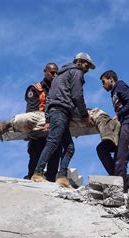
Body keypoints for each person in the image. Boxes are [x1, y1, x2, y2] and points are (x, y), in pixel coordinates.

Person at [31, 53, 95, 187]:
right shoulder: (76, 72)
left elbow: (49, 99)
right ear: (78, 62)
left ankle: (62, 177)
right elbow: (77, 95)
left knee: (69, 147)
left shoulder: (59, 76)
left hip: (58, 113)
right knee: (53, 143)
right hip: (61, 112)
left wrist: (48, 118)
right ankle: (37, 173)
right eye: (86, 65)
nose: (87, 69)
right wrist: (84, 115)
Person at [97, 70, 129, 180]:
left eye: (103, 81)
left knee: (121, 156)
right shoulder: (114, 92)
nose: (103, 85)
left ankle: (120, 187)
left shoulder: (120, 86)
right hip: (122, 126)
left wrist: (119, 114)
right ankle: (116, 178)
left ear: (111, 79)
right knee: (102, 149)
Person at [24, 63, 61, 181]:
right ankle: (31, 178)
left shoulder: (59, 89)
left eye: (56, 73)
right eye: (51, 72)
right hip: (39, 129)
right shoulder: (35, 89)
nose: (54, 75)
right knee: (35, 156)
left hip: (53, 129)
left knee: (55, 155)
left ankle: (50, 180)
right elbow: (31, 111)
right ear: (45, 71)